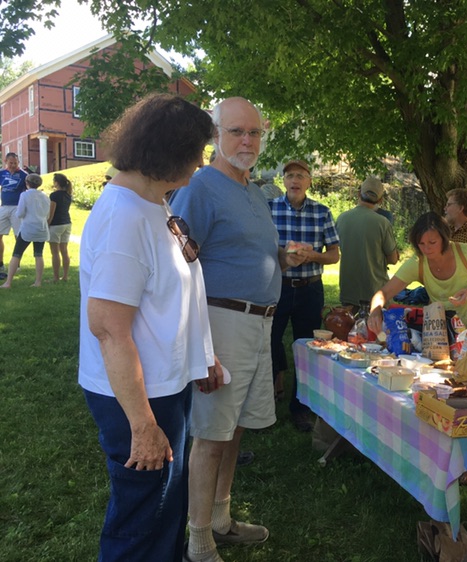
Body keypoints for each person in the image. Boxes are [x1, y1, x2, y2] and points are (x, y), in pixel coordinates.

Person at [77, 94, 215, 562]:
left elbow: (170, 298)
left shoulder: (152, 203)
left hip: (162, 387)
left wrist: (201, 358)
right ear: (168, 151)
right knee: (142, 517)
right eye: (195, 152)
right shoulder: (125, 218)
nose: (200, 163)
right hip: (138, 398)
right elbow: (108, 329)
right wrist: (142, 425)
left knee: (163, 508)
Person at [170, 97, 305, 562]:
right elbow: (178, 269)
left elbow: (241, 253)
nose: (247, 141)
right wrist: (201, 346)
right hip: (220, 323)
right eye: (236, 132)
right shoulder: (200, 187)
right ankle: (198, 540)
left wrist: (283, 258)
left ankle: (221, 519)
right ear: (215, 135)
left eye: (254, 132)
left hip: (259, 324)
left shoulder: (255, 191)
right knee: (211, 435)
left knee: (234, 429)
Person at [269, 159, 340, 431]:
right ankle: (264, 405)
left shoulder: (322, 212)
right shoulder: (269, 209)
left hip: (310, 288)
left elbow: (334, 255)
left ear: (309, 181)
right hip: (278, 286)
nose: (294, 180)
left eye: (300, 176)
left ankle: (300, 408)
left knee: (307, 347)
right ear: (284, 181)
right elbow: (260, 248)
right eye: (289, 176)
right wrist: (283, 256)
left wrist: (312, 256)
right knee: (269, 343)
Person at [368, 211, 467, 336]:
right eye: (421, 243)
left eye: (432, 242)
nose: (427, 248)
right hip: (449, 332)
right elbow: (383, 293)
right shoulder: (418, 262)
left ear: (444, 238)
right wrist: (375, 311)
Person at [336, 176, 400, 314]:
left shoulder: (342, 218)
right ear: (380, 200)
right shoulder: (382, 222)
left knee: (349, 326)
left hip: (348, 290)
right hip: (375, 291)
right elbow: (393, 259)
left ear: (359, 193)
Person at [1, 173, 49, 289]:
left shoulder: (24, 195)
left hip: (28, 228)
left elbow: (20, 213)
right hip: (41, 227)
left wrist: (20, 215)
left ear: (27, 183)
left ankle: (8, 282)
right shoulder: (45, 196)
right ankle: (38, 282)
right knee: (38, 254)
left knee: (16, 254)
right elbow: (47, 213)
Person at [0, 152, 28, 278]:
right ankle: (1, 263)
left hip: (17, 208)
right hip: (4, 207)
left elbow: (30, 190)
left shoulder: (23, 175)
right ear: (6, 162)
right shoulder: (2, 173)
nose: (13, 165)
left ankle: (17, 263)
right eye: (11, 163)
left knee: (18, 236)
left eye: (15, 163)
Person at [47, 173, 73, 282]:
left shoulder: (54, 195)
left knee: (55, 252)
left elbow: (51, 212)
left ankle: (56, 277)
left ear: (56, 183)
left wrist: (47, 223)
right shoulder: (68, 195)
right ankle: (65, 276)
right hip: (67, 223)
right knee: (64, 251)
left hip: (56, 224)